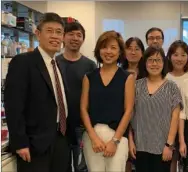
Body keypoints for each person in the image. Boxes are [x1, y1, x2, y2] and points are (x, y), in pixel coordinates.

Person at [4, 12, 70, 172]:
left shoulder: (57, 64)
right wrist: (20, 143)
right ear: (38, 34)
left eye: (59, 32)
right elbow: (13, 106)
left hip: (60, 138)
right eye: (49, 31)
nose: (55, 36)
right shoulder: (23, 62)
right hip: (34, 143)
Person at [80, 30, 135, 172]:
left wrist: (115, 141)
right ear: (99, 50)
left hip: (117, 136)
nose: (108, 51)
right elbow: (83, 109)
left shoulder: (127, 77)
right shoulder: (89, 77)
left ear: (120, 52)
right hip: (93, 136)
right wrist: (93, 137)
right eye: (104, 47)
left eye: (113, 47)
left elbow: (128, 111)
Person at [130, 46, 182, 172]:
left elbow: (175, 118)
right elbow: (130, 114)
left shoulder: (172, 87)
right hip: (139, 146)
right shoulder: (136, 85)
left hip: (162, 147)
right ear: (145, 63)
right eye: (150, 60)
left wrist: (169, 145)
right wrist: (130, 141)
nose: (154, 64)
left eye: (158, 60)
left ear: (164, 63)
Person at [56, 21, 97, 172]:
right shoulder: (55, 63)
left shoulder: (90, 65)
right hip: (60, 127)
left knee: (83, 167)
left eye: (79, 35)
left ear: (83, 39)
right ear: (63, 37)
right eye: (71, 34)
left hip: (83, 126)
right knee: (62, 166)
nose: (75, 38)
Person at [166, 40, 188, 172]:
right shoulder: (164, 78)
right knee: (170, 160)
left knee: (187, 162)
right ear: (169, 56)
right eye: (175, 55)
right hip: (167, 126)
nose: (179, 58)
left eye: (183, 55)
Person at [122, 37, 145, 172]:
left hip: (142, 121)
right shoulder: (118, 72)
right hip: (123, 119)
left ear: (142, 52)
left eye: (137, 49)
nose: (133, 52)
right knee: (126, 158)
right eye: (129, 48)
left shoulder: (147, 73)